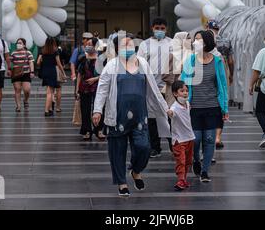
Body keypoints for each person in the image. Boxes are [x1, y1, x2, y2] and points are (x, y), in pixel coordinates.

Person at [92, 32, 171, 197]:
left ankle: (136, 170)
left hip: (140, 116)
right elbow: (102, 89)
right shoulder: (111, 65)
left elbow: (154, 90)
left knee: (144, 147)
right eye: (123, 45)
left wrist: (165, 108)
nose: (128, 47)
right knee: (117, 151)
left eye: (129, 44)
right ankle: (122, 183)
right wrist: (97, 110)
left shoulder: (142, 63)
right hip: (117, 116)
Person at [181, 30, 229, 182]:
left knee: (209, 139)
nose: (196, 42)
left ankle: (205, 171)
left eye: (199, 40)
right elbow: (184, 82)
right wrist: (182, 102)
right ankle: (196, 160)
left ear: (207, 42)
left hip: (212, 106)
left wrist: (225, 108)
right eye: (195, 40)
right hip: (194, 106)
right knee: (195, 140)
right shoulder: (191, 60)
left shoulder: (217, 61)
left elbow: (223, 85)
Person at [137, 18, 173, 158]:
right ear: (152, 28)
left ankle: (173, 145)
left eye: (162, 28)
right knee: (152, 118)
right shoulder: (144, 45)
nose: (160, 31)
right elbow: (139, 64)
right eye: (157, 28)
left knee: (170, 116)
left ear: (166, 29)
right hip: (150, 87)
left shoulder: (172, 43)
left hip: (168, 87)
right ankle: (155, 147)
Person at [76, 37, 105, 141]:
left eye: (90, 44)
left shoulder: (101, 59)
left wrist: (95, 79)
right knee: (85, 109)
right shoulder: (82, 58)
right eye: (86, 44)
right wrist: (77, 90)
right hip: (84, 87)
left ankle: (99, 130)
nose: (87, 46)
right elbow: (79, 74)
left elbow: (106, 74)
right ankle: (87, 130)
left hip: (98, 87)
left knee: (99, 109)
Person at [168, 80, 195, 191]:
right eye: (182, 91)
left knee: (188, 161)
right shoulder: (174, 107)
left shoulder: (187, 104)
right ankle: (180, 180)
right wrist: (170, 113)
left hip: (189, 137)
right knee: (181, 160)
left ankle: (184, 179)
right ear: (175, 93)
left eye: (186, 91)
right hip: (179, 140)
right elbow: (172, 113)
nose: (185, 93)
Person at [37, 38, 66, 117]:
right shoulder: (55, 51)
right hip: (52, 71)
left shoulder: (43, 51)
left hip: (45, 71)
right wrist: (63, 73)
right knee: (50, 92)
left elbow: (38, 62)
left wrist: (43, 61)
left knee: (50, 91)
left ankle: (50, 109)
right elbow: (59, 64)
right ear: (53, 43)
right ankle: (46, 110)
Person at [9, 38, 35, 112]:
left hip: (26, 73)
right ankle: (18, 106)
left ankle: (26, 100)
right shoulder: (13, 53)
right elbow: (10, 62)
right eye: (17, 43)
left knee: (27, 90)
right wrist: (9, 70)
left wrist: (32, 72)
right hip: (16, 73)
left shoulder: (28, 53)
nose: (18, 44)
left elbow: (31, 62)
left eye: (20, 43)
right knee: (17, 89)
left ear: (24, 44)